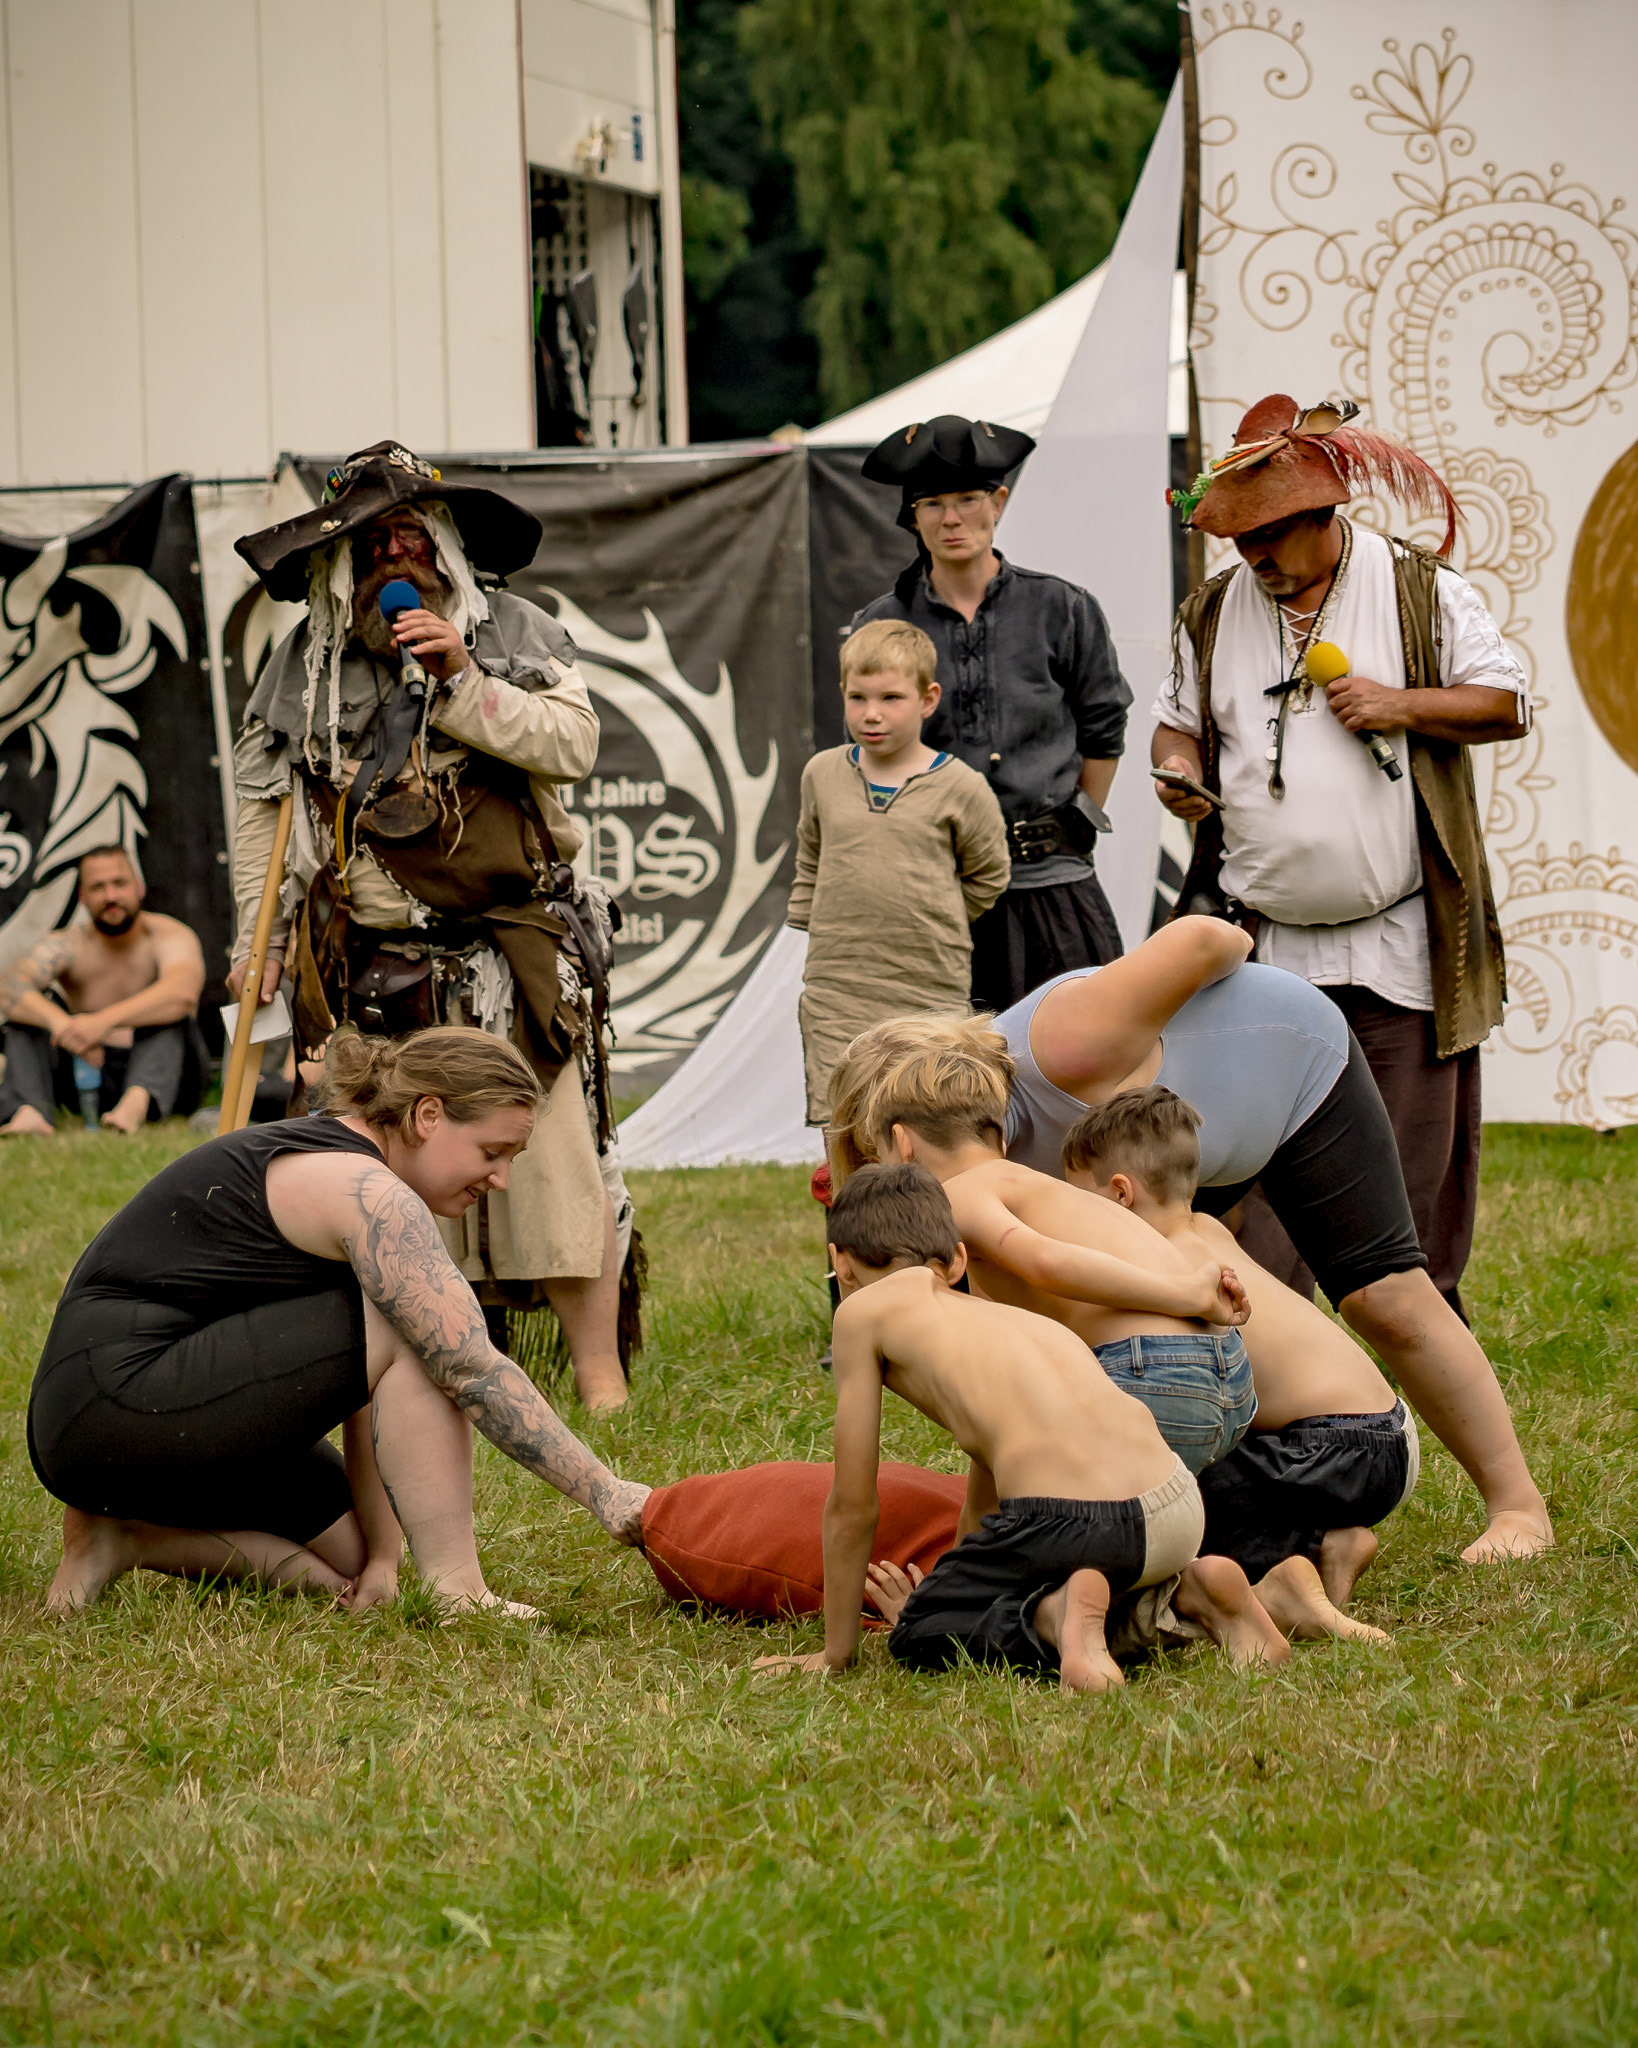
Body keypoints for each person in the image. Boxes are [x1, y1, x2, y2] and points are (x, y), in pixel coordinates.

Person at [827, 916, 1552, 1564]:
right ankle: (1298, 1522)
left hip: (1284, 1065)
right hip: (1166, 1149)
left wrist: (1237, 972)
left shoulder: (1065, 1045)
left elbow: (1208, 938)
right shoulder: (974, 1174)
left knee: (1382, 1295)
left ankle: (1518, 1505)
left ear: (900, 1135)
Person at [231, 441, 635, 1412]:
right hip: (372, 962)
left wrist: (461, 680)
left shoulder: (514, 629)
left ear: (444, 547)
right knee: (384, 1161)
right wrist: (262, 940)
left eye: (412, 534)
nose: (394, 555)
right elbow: (262, 803)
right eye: (373, 542)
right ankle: (413, 1355)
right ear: (343, 562)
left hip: (510, 954)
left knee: (551, 1160)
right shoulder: (305, 665)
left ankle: (599, 1374)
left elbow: (573, 744)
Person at [28, 1026, 649, 1617]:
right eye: (493, 1152)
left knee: (355, 1560)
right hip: (115, 1399)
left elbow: (356, 1377)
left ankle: (126, 1538)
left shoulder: (344, 1152)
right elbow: (467, 1365)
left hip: (106, 1414)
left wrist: (384, 1554)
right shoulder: (365, 1190)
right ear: (427, 1116)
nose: (502, 1179)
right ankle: (459, 1591)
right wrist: (607, 1493)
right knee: (429, 1334)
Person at [1153, 395, 1529, 1322]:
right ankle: (1261, 1358)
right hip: (1266, 948)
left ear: (1324, 516)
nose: (1256, 556)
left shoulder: (1418, 590)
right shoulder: (1210, 614)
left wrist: (1399, 704)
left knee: (1407, 1175)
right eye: (1239, 540)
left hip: (1399, 942)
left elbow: (1505, 703)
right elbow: (1175, 726)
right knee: (1259, 1167)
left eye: (1271, 535)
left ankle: (1419, 1350)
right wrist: (1177, 769)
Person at [756, 1162, 1289, 1691]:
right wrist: (958, 1580)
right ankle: (1188, 1593)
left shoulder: (862, 1312)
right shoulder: (1006, 1320)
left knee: (920, 1630)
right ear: (958, 1258)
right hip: (1176, 1507)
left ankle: (1055, 1618)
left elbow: (853, 1505)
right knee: (1055, 1571)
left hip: (1075, 1523)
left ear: (841, 1265)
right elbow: (986, 1492)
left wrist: (842, 1650)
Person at [836, 1016, 1260, 1475]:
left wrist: (1188, 1295)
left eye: (877, 1155)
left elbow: (1043, 1260)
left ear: (901, 1144)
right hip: (1229, 1374)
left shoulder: (960, 1196)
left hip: (1151, 1373)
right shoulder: (1037, 1186)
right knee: (1143, 1517)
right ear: (996, 1134)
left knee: (1077, 1512)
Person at [1065, 1086, 1409, 1632]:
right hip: (1385, 1436)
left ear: (1119, 1195)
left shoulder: (1171, 1267)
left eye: (1078, 1202)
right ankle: (1325, 1535)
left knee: (1171, 1488)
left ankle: (1307, 1550)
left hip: (1332, 1449)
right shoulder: (1208, 1230)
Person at [853, 415, 1130, 1011]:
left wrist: (1077, 822)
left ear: (998, 502)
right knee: (947, 1086)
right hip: (934, 896)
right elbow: (869, 752)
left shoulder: (1063, 608)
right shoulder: (881, 625)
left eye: (968, 500)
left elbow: (1104, 729)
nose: (951, 519)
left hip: (1053, 885)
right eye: (932, 504)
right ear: (913, 517)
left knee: (1083, 1072)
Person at [788, 616, 1008, 1128]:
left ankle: (928, 1213)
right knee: (843, 1124)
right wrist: (814, 923)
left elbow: (989, 876)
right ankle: (850, 1211)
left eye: (890, 698)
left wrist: (932, 912)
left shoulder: (962, 786)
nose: (871, 714)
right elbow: (811, 857)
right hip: (837, 986)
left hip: (927, 986)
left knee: (931, 1118)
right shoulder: (822, 773)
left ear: (928, 700)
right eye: (857, 698)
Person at [0, 844, 206, 1136]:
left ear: (139, 887)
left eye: (119, 884)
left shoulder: (169, 934)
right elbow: (8, 988)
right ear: (82, 897)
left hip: (168, 1075)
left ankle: (134, 1108)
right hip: (87, 1069)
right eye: (98, 888)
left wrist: (101, 1023)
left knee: (169, 1015)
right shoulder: (68, 944)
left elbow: (182, 994)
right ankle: (31, 1112)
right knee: (25, 1020)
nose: (110, 897)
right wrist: (65, 1027)